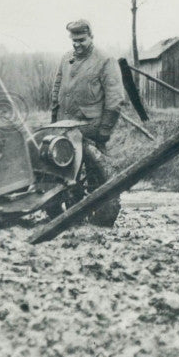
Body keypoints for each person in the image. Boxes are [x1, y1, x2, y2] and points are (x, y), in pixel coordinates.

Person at [51, 19, 124, 225]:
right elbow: (56, 90)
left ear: (91, 36)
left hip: (91, 127)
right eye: (73, 40)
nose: (77, 44)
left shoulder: (105, 60)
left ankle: (101, 216)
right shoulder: (66, 59)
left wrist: (105, 129)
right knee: (58, 169)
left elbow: (115, 97)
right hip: (64, 126)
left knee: (97, 175)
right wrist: (53, 120)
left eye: (81, 40)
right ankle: (62, 214)